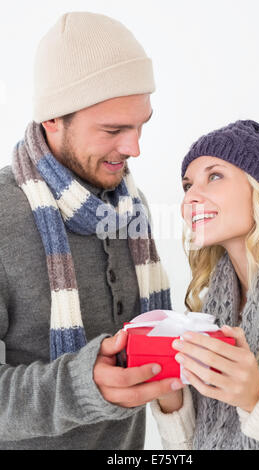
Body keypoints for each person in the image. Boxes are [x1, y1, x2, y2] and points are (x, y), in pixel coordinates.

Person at [0, 11, 184, 450]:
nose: (134, 148)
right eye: (113, 130)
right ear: (52, 120)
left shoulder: (129, 206)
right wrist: (83, 386)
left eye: (141, 125)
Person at [151, 120, 259, 450]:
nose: (191, 197)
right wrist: (171, 394)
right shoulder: (212, 309)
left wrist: (257, 397)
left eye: (214, 176)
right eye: (187, 185)